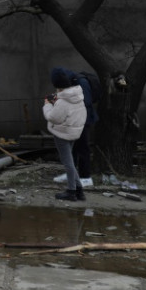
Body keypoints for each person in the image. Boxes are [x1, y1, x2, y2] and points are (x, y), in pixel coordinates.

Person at [43, 67, 87, 201]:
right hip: (74, 132)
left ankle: (71, 192)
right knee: (71, 163)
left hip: (62, 133)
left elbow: (53, 118)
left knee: (68, 163)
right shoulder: (77, 95)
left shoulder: (62, 102)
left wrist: (47, 105)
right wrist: (56, 101)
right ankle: (79, 191)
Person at [53, 69, 98, 187]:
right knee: (72, 148)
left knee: (82, 148)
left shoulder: (81, 82)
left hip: (82, 120)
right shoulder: (71, 83)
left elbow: (85, 102)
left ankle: (86, 177)